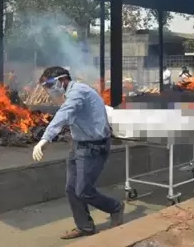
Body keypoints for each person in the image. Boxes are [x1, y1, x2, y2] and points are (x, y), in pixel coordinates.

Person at [32, 66, 125, 239]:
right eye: (46, 86)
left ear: (62, 80)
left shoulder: (78, 93)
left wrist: (45, 139)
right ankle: (85, 227)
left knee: (83, 190)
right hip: (79, 145)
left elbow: (64, 115)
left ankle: (115, 207)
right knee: (71, 189)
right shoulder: (70, 94)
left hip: (94, 147)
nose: (49, 89)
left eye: (50, 84)